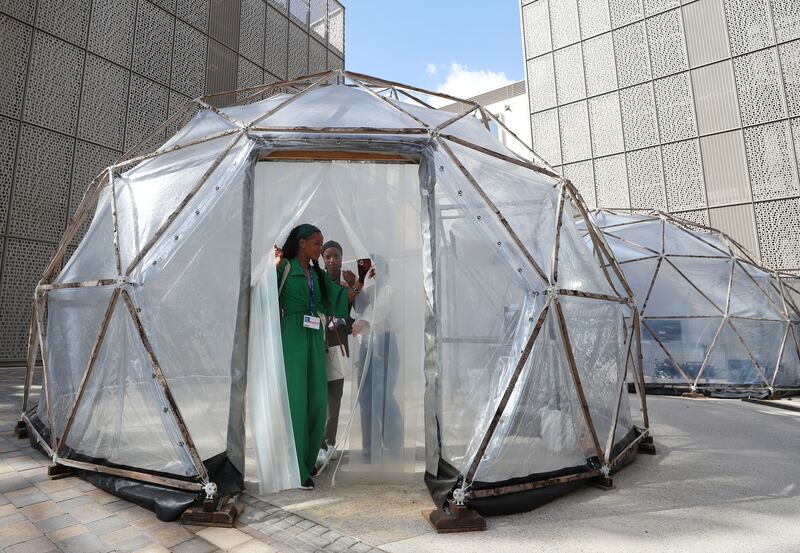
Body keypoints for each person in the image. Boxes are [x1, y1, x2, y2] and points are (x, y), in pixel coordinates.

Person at [274, 224, 349, 490]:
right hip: (292, 337)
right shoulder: (284, 267)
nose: (321, 248)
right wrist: (272, 265)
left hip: (315, 339)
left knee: (317, 401)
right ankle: (296, 469)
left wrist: (358, 284)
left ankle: (308, 462)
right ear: (302, 243)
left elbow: (337, 299)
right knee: (297, 403)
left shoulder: (316, 274)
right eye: (317, 244)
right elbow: (263, 294)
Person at [351, 256, 404, 463]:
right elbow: (358, 308)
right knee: (365, 396)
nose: (373, 271)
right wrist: (356, 286)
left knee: (383, 395)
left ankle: (393, 444)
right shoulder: (366, 291)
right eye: (368, 268)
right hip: (367, 347)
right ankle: (369, 449)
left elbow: (379, 309)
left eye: (376, 267)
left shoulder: (389, 289)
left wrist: (364, 321)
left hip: (386, 344)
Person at [316, 240, 361, 468]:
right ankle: (317, 443)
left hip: (338, 347)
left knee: (334, 397)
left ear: (342, 259)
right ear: (323, 259)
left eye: (336, 256)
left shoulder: (348, 287)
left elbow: (358, 315)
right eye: (328, 256)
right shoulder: (315, 281)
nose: (332, 260)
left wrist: (356, 288)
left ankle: (329, 442)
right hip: (316, 346)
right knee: (317, 396)